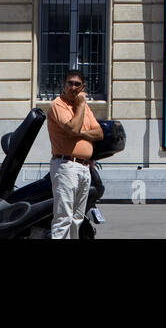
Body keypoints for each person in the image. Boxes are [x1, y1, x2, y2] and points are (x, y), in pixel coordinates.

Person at [47, 69, 103, 239]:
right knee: (63, 217)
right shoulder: (58, 104)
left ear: (83, 87)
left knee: (77, 218)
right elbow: (72, 128)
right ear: (63, 86)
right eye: (70, 83)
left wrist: (81, 132)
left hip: (84, 167)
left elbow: (99, 133)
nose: (73, 87)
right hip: (66, 166)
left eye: (77, 84)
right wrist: (79, 107)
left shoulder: (84, 108)